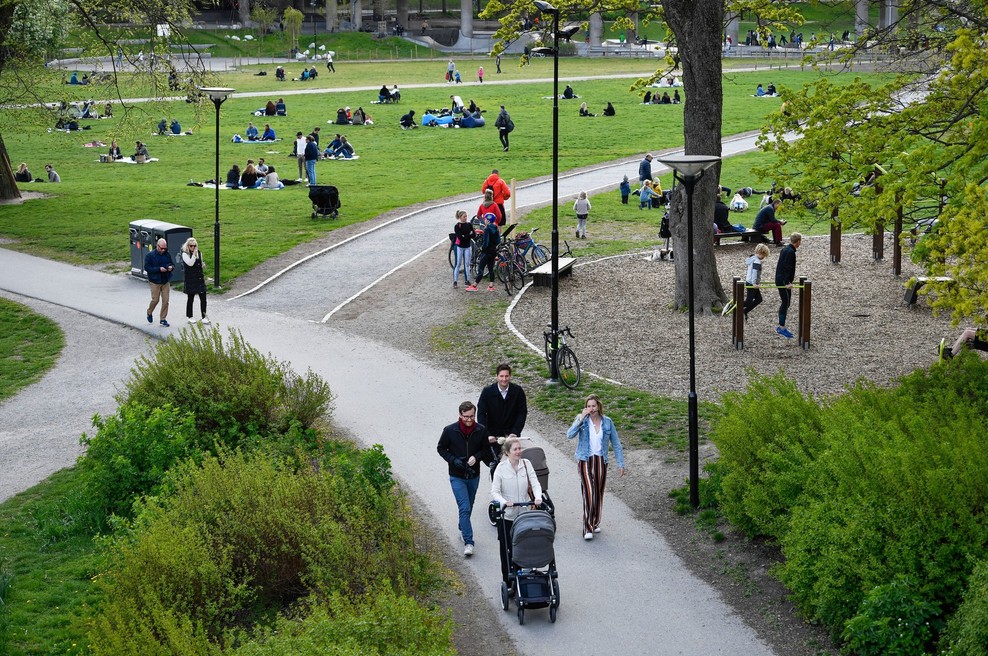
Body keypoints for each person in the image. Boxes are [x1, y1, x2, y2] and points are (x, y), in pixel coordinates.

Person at [437, 401, 493, 557]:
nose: (469, 420)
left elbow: (486, 450)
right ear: (460, 415)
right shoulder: (450, 431)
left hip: (473, 475)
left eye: (472, 416)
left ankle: (463, 526)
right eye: (466, 417)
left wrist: (477, 456)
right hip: (457, 475)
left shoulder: (481, 430)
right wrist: (453, 460)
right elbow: (441, 448)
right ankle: (469, 542)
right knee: (465, 507)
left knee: (469, 505)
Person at [566, 394, 625, 540]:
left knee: (598, 493)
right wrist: (580, 419)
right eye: (588, 406)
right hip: (585, 459)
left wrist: (620, 463)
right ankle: (587, 527)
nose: (591, 409)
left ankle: (595, 521)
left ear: (598, 406)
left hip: (600, 461)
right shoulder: (582, 420)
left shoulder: (607, 422)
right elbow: (569, 434)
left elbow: (616, 444)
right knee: (589, 492)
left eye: (593, 406)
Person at [490, 437, 543, 585]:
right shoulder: (501, 469)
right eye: (515, 449)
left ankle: (521, 577)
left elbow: (535, 483)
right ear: (507, 452)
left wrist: (538, 497)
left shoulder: (526, 465)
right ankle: (507, 580)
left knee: (523, 546)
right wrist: (504, 502)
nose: (519, 452)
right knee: (507, 549)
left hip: (523, 515)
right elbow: (495, 492)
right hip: (507, 516)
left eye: (520, 449)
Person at [476, 363, 528, 462]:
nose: (504, 379)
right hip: (493, 436)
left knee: (513, 462)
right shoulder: (487, 392)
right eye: (501, 376)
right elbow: (481, 414)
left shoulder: (517, 391)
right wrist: (486, 434)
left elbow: (522, 413)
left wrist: (515, 432)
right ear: (497, 377)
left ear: (510, 376)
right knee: (494, 464)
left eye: (506, 376)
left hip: (510, 435)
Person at [774, 232, 802, 339]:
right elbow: (787, 268)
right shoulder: (790, 252)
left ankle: (782, 326)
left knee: (787, 302)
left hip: (781, 278)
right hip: (783, 281)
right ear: (798, 241)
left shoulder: (785, 249)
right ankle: (781, 327)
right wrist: (787, 283)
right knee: (785, 302)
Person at [144, 238, 174, 327]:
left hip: (165, 280)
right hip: (155, 281)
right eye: (162, 248)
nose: (163, 250)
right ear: (157, 246)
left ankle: (163, 319)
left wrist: (170, 267)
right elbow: (147, 268)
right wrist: (158, 269)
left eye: (165, 248)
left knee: (166, 301)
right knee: (155, 300)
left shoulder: (167, 254)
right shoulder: (150, 256)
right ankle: (149, 312)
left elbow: (171, 263)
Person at [180, 238, 210, 324]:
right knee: (191, 298)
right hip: (190, 278)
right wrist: (193, 254)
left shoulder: (199, 253)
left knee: (203, 297)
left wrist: (202, 265)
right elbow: (190, 263)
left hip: (199, 277)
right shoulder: (185, 254)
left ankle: (204, 316)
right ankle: (190, 316)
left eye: (194, 246)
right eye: (191, 246)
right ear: (188, 246)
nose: (193, 247)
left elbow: (200, 262)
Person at [737, 243, 770, 320]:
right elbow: (754, 273)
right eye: (764, 255)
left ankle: (745, 311)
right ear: (761, 253)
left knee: (759, 299)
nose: (764, 257)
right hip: (752, 283)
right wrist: (754, 283)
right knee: (748, 301)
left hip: (750, 281)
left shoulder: (752, 258)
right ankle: (736, 306)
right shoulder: (757, 262)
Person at [472, 213, 500, 292]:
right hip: (493, 251)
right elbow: (498, 241)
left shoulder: (487, 229)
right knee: (491, 268)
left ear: (488, 220)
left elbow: (486, 242)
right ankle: (491, 286)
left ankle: (474, 285)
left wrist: (482, 248)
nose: (484, 220)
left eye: (485, 219)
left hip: (486, 252)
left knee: (481, 268)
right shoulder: (495, 227)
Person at [451, 210, 473, 289]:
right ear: (460, 217)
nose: (466, 218)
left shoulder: (469, 224)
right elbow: (460, 237)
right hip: (460, 246)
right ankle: (455, 281)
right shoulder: (457, 226)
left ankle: (467, 280)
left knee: (467, 264)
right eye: (464, 217)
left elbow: (473, 234)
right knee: (458, 264)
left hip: (467, 246)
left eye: (466, 216)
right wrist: (467, 236)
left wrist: (465, 236)